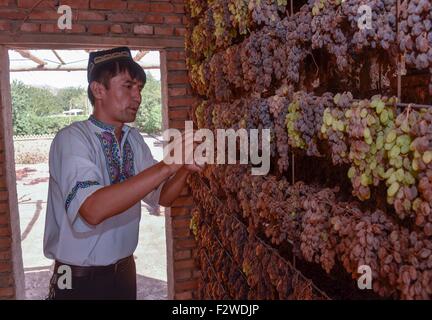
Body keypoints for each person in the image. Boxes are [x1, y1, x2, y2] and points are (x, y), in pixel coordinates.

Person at [43, 47, 201, 300]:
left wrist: (184, 169)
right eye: (128, 87)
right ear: (98, 90)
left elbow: (162, 197)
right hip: (78, 279)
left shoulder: (133, 139)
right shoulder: (72, 139)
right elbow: (92, 210)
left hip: (124, 272)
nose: (137, 97)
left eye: (139, 88)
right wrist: (168, 165)